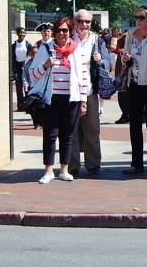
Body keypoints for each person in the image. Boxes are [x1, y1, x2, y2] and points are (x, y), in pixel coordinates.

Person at [28, 18, 87, 184]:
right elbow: (33, 75)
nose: (62, 33)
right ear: (54, 32)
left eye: (66, 30)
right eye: (59, 30)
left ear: (70, 32)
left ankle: (64, 170)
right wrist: (45, 65)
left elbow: (83, 77)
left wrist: (83, 101)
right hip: (50, 98)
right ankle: (48, 171)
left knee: (67, 135)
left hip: (71, 99)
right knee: (50, 135)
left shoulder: (77, 50)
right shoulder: (45, 49)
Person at [120, 6, 147, 175]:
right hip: (133, 84)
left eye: (141, 17)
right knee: (135, 125)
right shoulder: (130, 35)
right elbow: (126, 58)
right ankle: (136, 163)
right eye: (136, 17)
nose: (138, 20)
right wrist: (125, 59)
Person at [69, 9, 110, 178]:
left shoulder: (96, 40)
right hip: (70, 92)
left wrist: (101, 60)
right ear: (74, 21)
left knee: (92, 129)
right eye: (80, 21)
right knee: (71, 130)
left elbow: (108, 63)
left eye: (87, 22)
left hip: (91, 91)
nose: (83, 25)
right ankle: (72, 165)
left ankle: (93, 164)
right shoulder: (68, 38)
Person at [11, 27, 33, 111]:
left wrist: (26, 60)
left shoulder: (28, 44)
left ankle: (28, 105)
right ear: (17, 34)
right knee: (19, 87)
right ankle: (20, 105)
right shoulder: (14, 45)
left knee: (28, 85)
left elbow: (32, 54)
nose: (22, 34)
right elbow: (12, 56)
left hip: (27, 66)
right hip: (18, 67)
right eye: (20, 33)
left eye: (23, 33)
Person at [22, 45, 42, 129]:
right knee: (32, 107)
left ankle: (41, 121)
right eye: (33, 53)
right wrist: (25, 84)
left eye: (37, 53)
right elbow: (25, 76)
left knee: (41, 106)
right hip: (32, 87)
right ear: (30, 54)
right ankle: (36, 122)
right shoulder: (27, 65)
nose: (35, 55)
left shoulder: (42, 63)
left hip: (41, 87)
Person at [113, 34, 129, 124]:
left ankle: (125, 114)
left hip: (123, 77)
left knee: (122, 95)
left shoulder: (122, 51)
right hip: (128, 76)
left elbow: (118, 66)